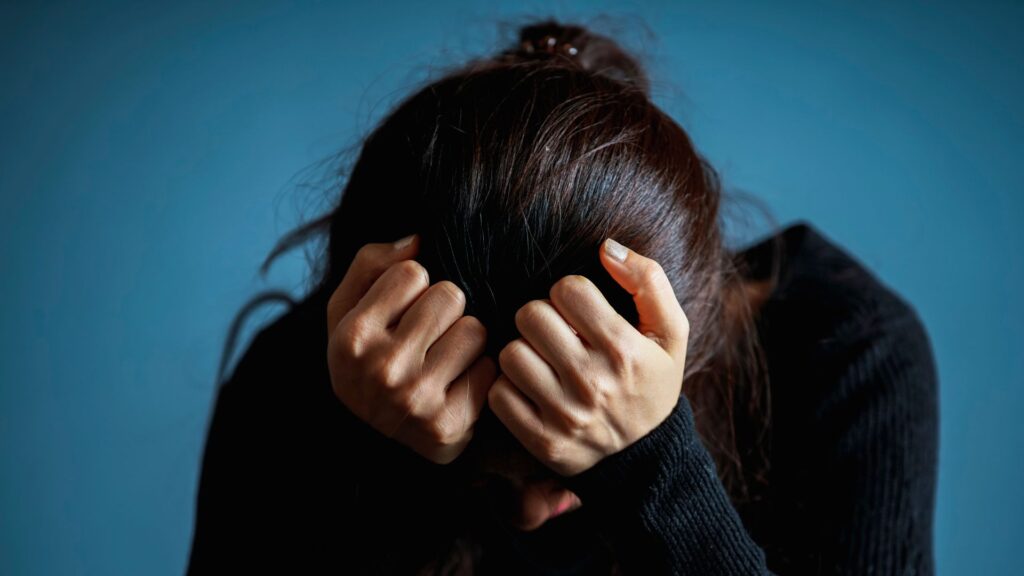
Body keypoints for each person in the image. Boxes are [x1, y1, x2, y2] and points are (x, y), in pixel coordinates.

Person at [185, 19, 938, 575]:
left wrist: (649, 467)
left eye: (566, 470)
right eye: (479, 474)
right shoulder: (322, 371)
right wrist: (373, 454)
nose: (526, 517)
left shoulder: (848, 356)